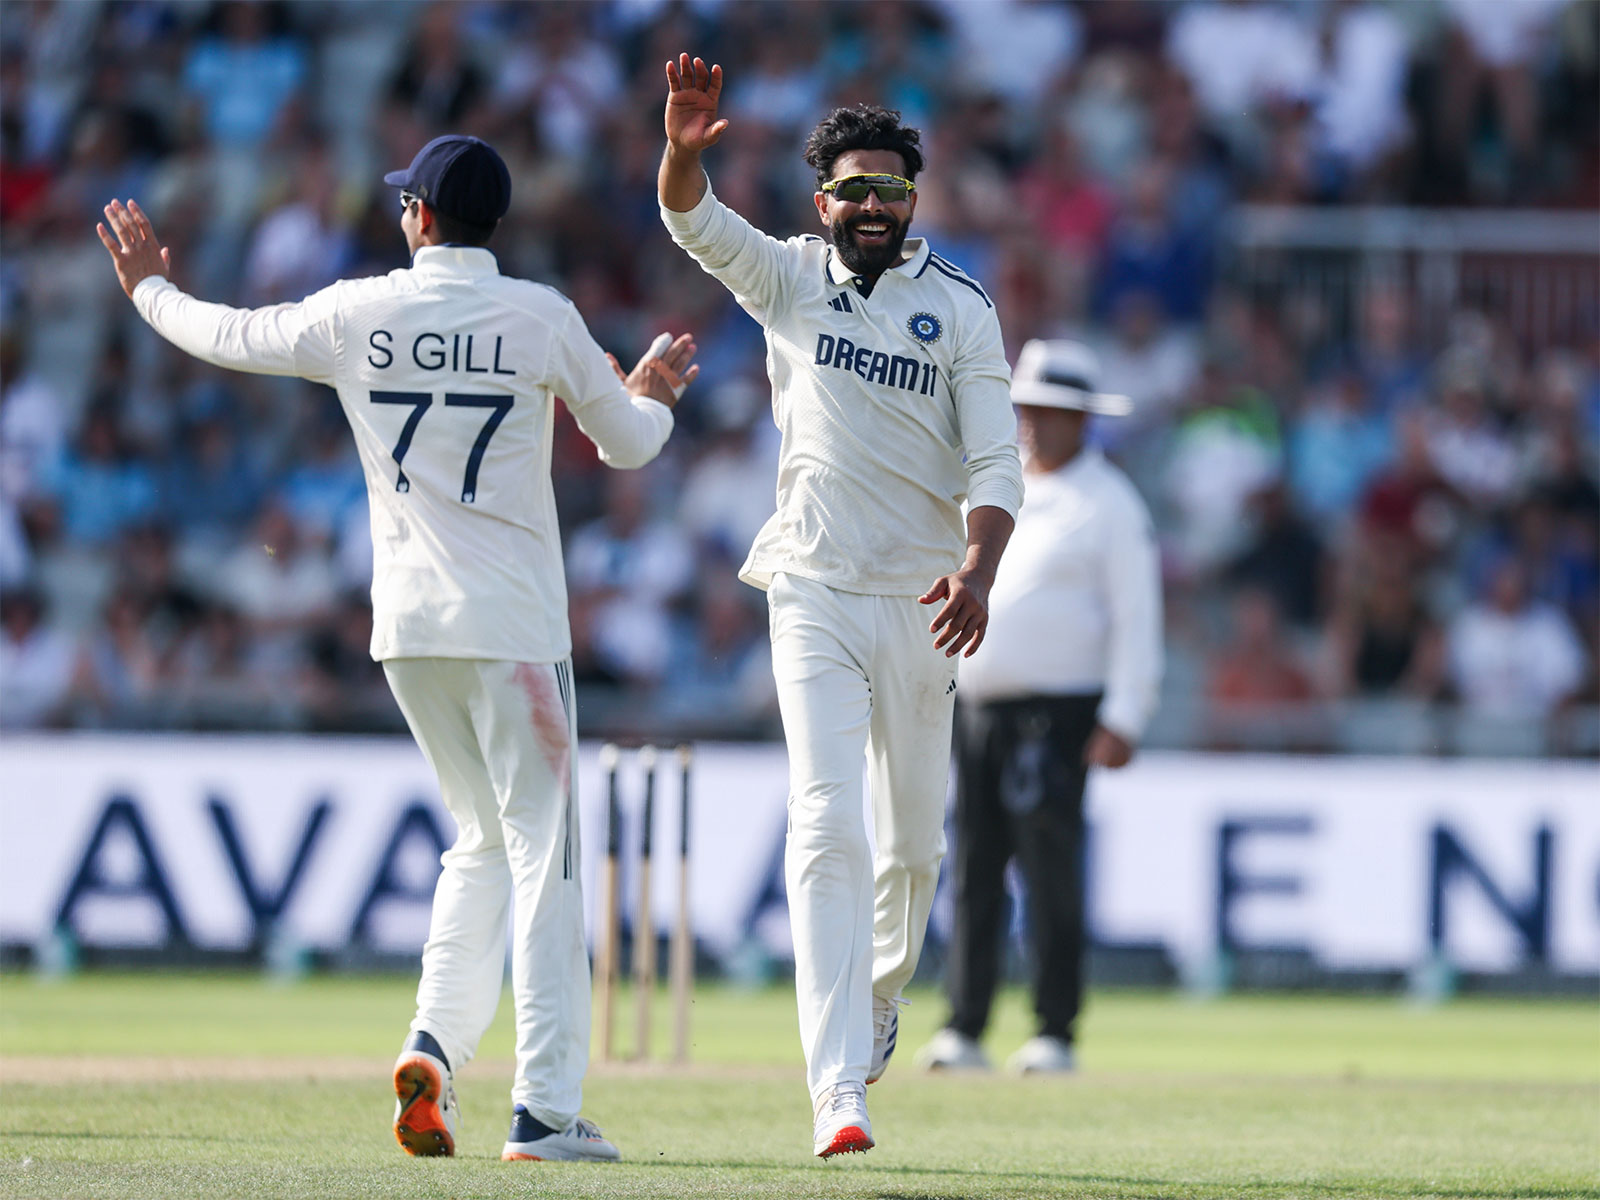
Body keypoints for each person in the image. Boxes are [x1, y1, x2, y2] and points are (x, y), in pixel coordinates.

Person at [97, 133, 700, 1164]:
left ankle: (433, 1045)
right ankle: (546, 1111)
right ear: (492, 224)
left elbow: (227, 334)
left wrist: (151, 290)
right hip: (514, 627)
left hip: (410, 628)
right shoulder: (538, 314)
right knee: (544, 859)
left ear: (419, 217)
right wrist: (648, 390)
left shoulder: (357, 311)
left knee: (479, 841)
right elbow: (630, 445)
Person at [657, 56, 1024, 1158]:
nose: (871, 207)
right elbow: (692, 223)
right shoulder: (788, 277)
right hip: (810, 585)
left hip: (922, 603)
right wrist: (680, 151)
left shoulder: (960, 309)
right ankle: (834, 1090)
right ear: (823, 204)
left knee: (912, 850)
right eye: (852, 192)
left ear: (915, 201)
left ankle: (875, 1004)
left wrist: (979, 572)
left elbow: (999, 464)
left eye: (890, 191)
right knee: (826, 822)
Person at [914, 340, 1162, 1075]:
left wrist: (1126, 715)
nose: (1034, 424)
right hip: (979, 705)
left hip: (1059, 715)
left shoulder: (1109, 502)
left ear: (1083, 420)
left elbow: (1137, 618)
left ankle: (1055, 1028)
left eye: (1052, 412)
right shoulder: (996, 485)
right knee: (974, 865)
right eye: (1027, 409)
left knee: (1048, 868)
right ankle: (964, 1024)